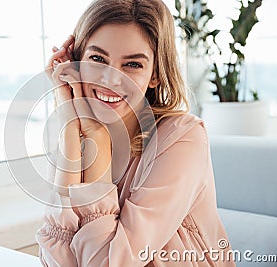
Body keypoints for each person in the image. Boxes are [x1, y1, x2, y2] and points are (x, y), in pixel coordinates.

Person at [36, 0, 235, 266]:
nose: (110, 79)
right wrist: (70, 130)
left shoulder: (184, 138)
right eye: (97, 59)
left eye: (132, 65)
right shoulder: (76, 130)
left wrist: (97, 133)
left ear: (155, 75)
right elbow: (54, 260)